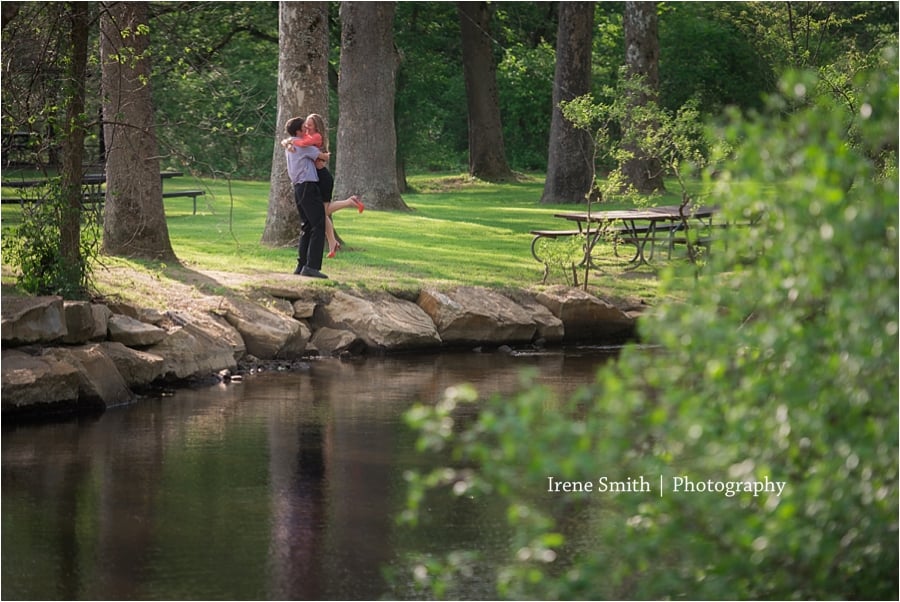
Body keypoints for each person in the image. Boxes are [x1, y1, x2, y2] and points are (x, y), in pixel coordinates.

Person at [282, 114, 363, 258]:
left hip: (321, 178)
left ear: (316, 127)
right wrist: (290, 141)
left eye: (310, 125)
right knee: (321, 214)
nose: (307, 127)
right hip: (313, 179)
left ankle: (349, 203)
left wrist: (290, 141)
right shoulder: (304, 140)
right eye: (305, 125)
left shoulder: (314, 138)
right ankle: (332, 242)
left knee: (322, 213)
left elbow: (312, 150)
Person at [284, 116, 328, 278]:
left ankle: (301, 265)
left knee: (307, 226)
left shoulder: (290, 145)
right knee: (318, 225)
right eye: (304, 128)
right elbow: (323, 156)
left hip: (298, 188)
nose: (306, 130)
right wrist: (325, 155)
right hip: (308, 187)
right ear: (298, 131)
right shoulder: (302, 147)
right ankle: (312, 266)